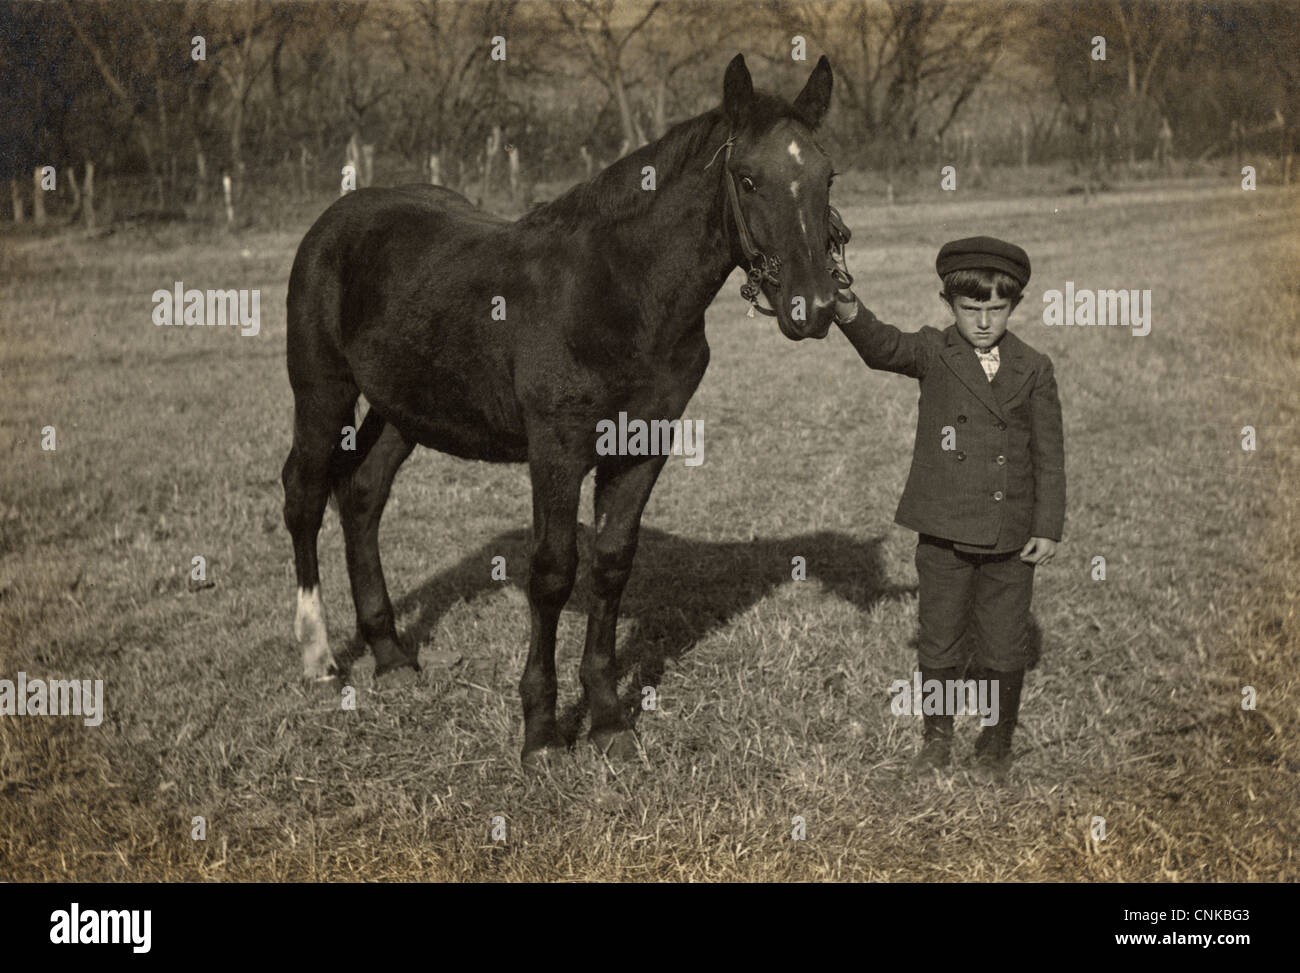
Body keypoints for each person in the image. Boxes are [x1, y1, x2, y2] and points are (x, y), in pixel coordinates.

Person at [833, 237, 1065, 780]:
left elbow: (1050, 455)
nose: (983, 321)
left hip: (1012, 535)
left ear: (1015, 305)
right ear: (947, 304)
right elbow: (880, 346)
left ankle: (995, 745)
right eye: (970, 309)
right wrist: (846, 307)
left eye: (996, 309)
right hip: (942, 530)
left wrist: (1048, 526)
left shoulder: (1035, 367)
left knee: (1005, 643)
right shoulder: (934, 352)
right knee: (939, 636)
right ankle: (935, 741)